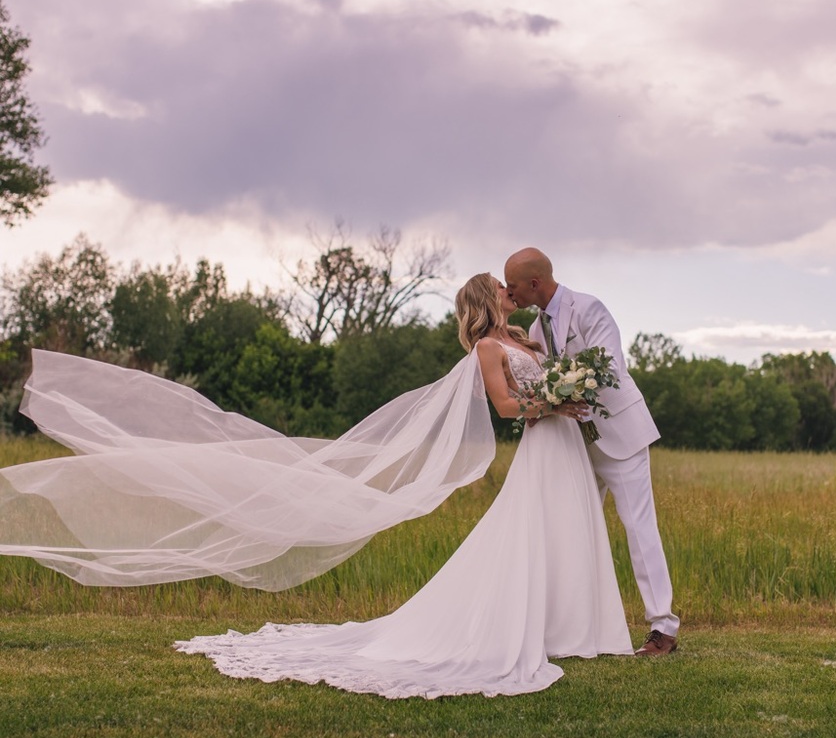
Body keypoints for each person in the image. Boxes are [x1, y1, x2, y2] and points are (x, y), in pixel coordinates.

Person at [1, 274, 633, 698]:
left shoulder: (522, 338)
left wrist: (568, 394)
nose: (510, 289)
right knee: (531, 533)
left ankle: (575, 628)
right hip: (545, 442)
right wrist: (554, 406)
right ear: (488, 300)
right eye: (502, 287)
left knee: (567, 530)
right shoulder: (487, 352)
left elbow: (549, 378)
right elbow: (504, 408)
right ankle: (527, 630)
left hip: (564, 448)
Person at [504, 247, 680, 655]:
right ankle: (579, 628)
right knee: (575, 532)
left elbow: (611, 369)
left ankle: (663, 628)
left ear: (534, 283)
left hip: (620, 435)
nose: (510, 292)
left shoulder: (588, 308)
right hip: (572, 444)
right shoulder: (533, 329)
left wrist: (562, 387)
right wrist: (546, 402)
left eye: (513, 285)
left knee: (639, 527)